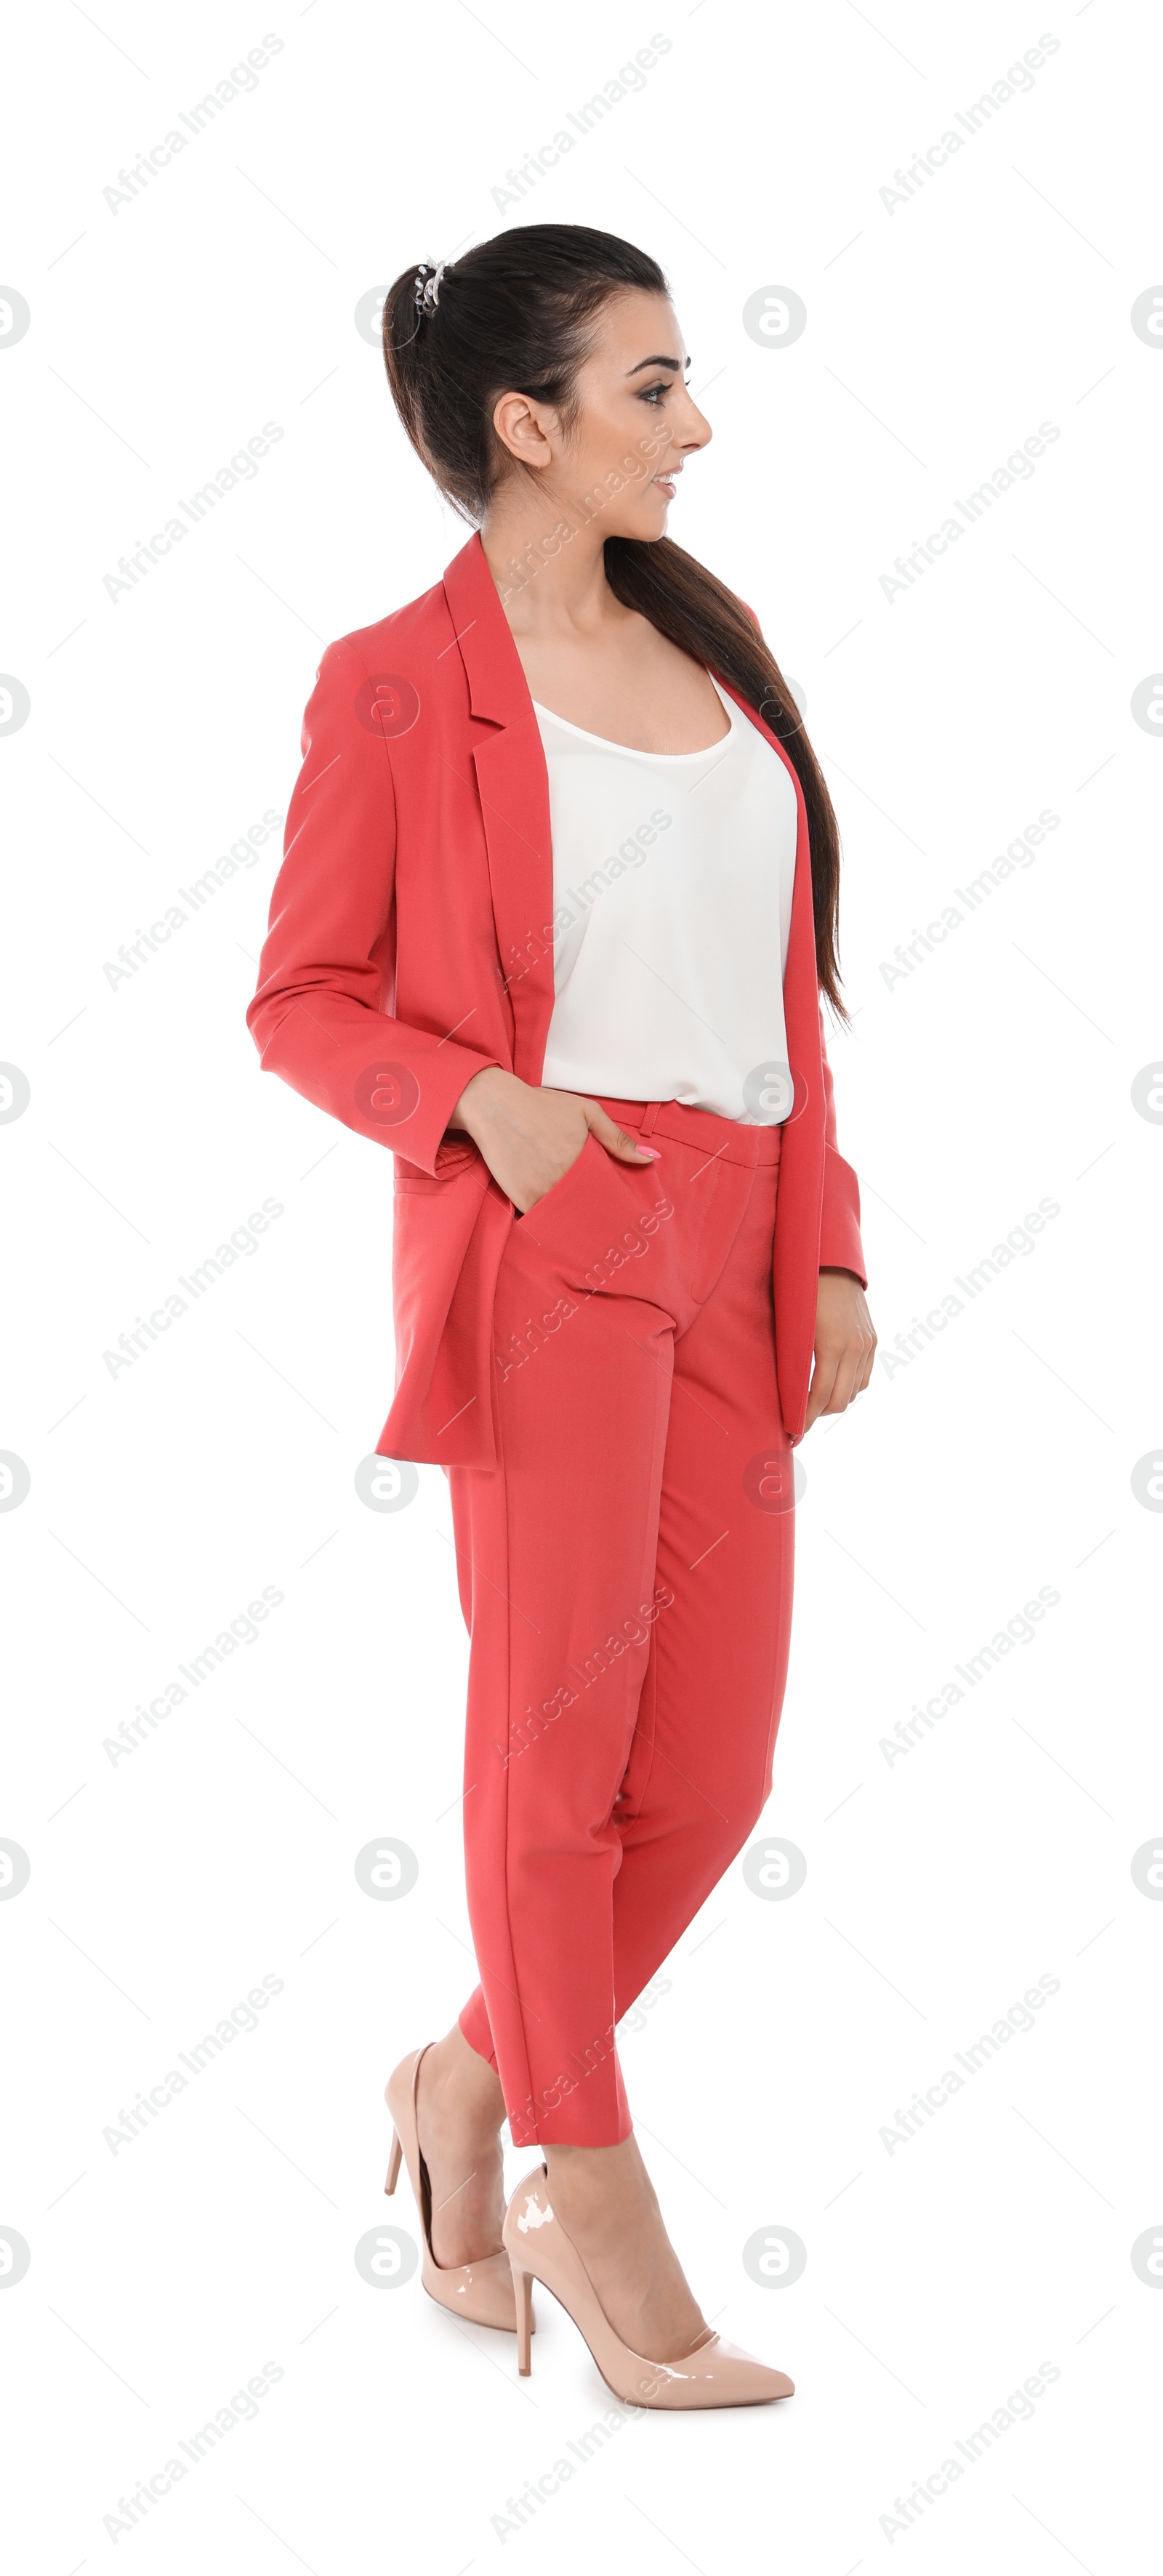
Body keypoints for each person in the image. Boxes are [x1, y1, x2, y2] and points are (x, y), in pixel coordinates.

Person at [246, 222, 876, 2410]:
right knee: (554, 1758)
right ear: (526, 426)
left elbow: (785, 986)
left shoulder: (720, 645)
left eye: (689, 380)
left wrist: (831, 1243)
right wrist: (481, 1105)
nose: (697, 424)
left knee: (708, 1770)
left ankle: (459, 2084)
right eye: (650, 387)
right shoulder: (396, 679)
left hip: (740, 1230)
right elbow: (302, 999)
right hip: (558, 1229)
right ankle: (589, 2190)